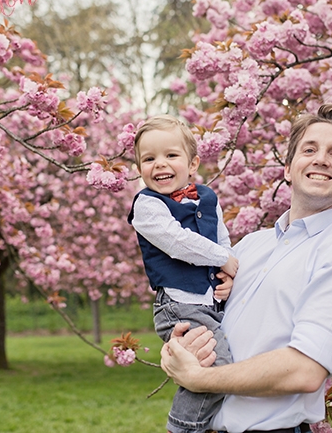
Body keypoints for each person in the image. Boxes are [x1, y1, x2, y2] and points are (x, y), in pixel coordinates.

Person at [160, 104, 332, 433]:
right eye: (310, 149)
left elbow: (305, 370)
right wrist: (180, 344)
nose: (321, 159)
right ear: (289, 168)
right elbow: (209, 317)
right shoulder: (250, 245)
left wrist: (200, 378)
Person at [128, 114, 239, 433]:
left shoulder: (207, 197)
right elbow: (178, 242)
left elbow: (222, 239)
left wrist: (227, 272)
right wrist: (223, 258)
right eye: (149, 158)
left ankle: (209, 426)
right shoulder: (147, 207)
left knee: (216, 363)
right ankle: (183, 427)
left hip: (209, 305)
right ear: (139, 169)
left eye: (171, 155)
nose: (160, 164)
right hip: (178, 306)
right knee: (218, 368)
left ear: (193, 163)